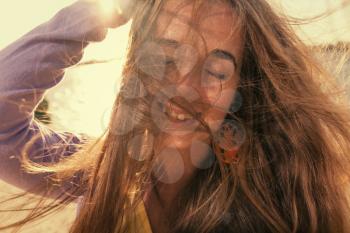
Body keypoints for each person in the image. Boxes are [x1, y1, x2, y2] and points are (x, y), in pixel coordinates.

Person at [0, 0, 350, 232]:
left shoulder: (272, 206)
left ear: (242, 88)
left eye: (216, 70)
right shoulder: (99, 178)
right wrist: (105, 11)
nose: (184, 87)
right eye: (166, 59)